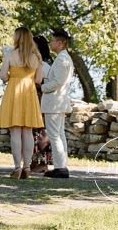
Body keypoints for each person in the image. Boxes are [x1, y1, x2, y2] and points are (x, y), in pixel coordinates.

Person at [0, 27, 45, 179]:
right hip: (29, 93)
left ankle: (17, 167)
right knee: (28, 132)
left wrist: (13, 74)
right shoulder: (36, 57)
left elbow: (3, 76)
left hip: (14, 93)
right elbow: (38, 80)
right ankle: (27, 167)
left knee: (15, 132)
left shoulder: (10, 54)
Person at [41, 30, 74, 179]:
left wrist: (42, 87)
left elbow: (58, 82)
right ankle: (61, 165)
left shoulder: (62, 59)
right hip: (58, 102)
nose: (50, 44)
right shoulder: (63, 58)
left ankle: (60, 168)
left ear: (60, 42)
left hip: (54, 102)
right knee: (59, 135)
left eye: (53, 41)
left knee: (55, 135)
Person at [30, 35, 54, 173]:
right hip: (36, 97)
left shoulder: (46, 63)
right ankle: (34, 160)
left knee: (41, 130)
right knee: (35, 129)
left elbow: (46, 82)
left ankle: (42, 162)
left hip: (41, 98)